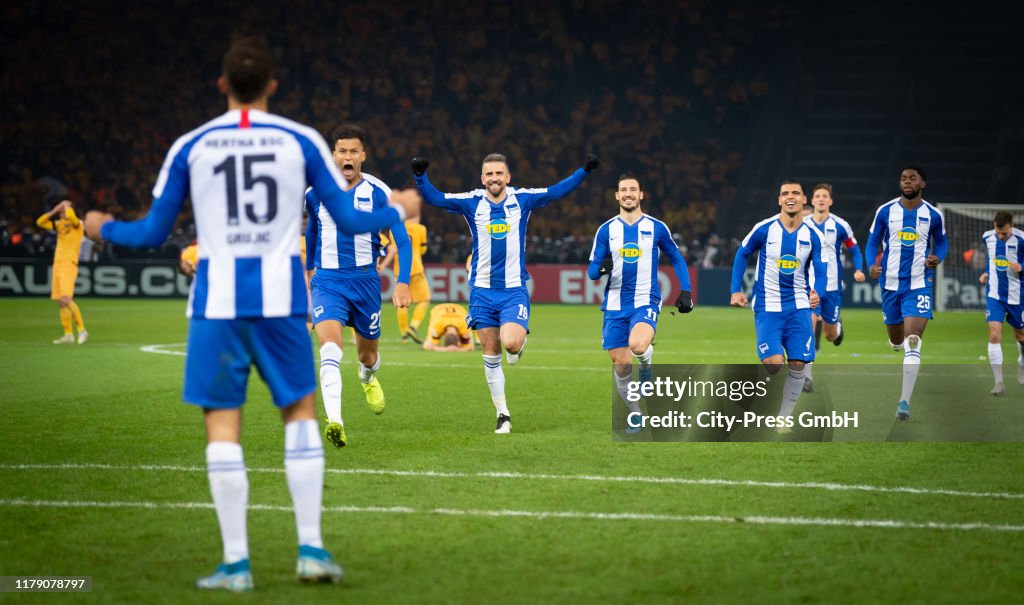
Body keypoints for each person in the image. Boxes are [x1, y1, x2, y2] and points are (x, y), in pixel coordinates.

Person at [81, 38, 418, 592]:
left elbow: (148, 233)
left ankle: (236, 564)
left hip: (216, 306)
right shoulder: (302, 141)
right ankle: (311, 550)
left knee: (223, 427)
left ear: (221, 86)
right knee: (300, 417)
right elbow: (353, 222)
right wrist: (400, 208)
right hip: (282, 301)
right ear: (272, 87)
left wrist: (100, 226)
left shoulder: (192, 144)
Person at [411, 152, 599, 433]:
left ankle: (519, 343)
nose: (494, 178)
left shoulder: (522, 199)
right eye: (489, 174)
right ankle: (503, 415)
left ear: (508, 177)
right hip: (481, 291)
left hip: (513, 289)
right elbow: (436, 198)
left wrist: (583, 171)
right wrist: (420, 176)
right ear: (482, 178)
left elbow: (557, 191)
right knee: (490, 350)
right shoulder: (472, 202)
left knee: (510, 343)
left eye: (499, 173)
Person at [305, 124, 413, 449]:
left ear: (362, 155)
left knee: (367, 356)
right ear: (333, 154)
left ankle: (367, 378)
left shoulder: (380, 193)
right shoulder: (315, 193)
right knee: (330, 348)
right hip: (328, 282)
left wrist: (404, 282)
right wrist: (309, 270)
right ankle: (335, 421)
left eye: (354, 151)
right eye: (342, 151)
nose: (348, 156)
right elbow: (312, 231)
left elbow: (403, 242)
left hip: (366, 283)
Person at [587, 173, 693, 431]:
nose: (628, 194)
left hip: (646, 299)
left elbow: (676, 258)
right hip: (614, 304)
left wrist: (686, 290)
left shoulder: (656, 227)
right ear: (616, 195)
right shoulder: (606, 230)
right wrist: (602, 269)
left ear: (641, 194)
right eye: (623, 190)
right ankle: (636, 414)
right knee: (620, 365)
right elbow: (592, 272)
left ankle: (646, 362)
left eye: (632, 189)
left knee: (637, 345)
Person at [730, 179, 827, 432]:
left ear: (804, 200)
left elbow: (823, 270)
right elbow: (742, 253)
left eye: (796, 193)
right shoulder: (764, 229)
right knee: (774, 365)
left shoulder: (813, 235)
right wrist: (735, 290)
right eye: (785, 194)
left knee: (797, 363)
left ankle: (784, 417)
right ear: (779, 200)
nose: (790, 197)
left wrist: (819, 291)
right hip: (768, 307)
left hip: (799, 307)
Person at [865, 165, 947, 421]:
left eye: (913, 178)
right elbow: (872, 241)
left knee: (914, 340)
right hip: (890, 284)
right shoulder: (885, 211)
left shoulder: (933, 214)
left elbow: (942, 242)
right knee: (897, 340)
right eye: (903, 178)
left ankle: (904, 402)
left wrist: (938, 257)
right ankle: (895, 341)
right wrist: (870, 263)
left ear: (922, 183)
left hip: (919, 283)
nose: (907, 181)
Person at [801, 183, 865, 391]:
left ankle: (838, 328)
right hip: (809, 286)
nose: (820, 199)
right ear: (811, 200)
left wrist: (858, 269)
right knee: (808, 327)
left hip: (832, 288)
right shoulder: (802, 224)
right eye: (817, 196)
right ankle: (806, 377)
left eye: (824, 196)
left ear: (830, 201)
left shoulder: (840, 225)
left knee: (830, 335)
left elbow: (855, 250)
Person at [979, 211, 1024, 395]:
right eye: (998, 232)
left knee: (1021, 337)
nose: (1000, 236)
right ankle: (999, 382)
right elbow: (991, 259)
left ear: (1012, 226)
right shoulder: (987, 237)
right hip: (994, 295)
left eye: (1004, 233)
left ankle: (1022, 363)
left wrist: (1022, 267)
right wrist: (986, 272)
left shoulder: (1022, 239)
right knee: (995, 334)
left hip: (1017, 297)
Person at [36, 200, 87, 344]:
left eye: (64, 211)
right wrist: (54, 210)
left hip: (69, 264)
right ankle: (68, 334)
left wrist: (66, 206)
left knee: (66, 298)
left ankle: (82, 330)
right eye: (61, 212)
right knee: (61, 301)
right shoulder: (59, 225)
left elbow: (72, 217)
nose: (62, 214)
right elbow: (40, 222)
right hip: (58, 264)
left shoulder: (78, 225)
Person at [380, 215, 430, 343]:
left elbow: (394, 249)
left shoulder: (394, 228)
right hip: (417, 268)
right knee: (424, 300)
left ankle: (404, 334)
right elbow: (423, 250)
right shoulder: (420, 228)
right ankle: (413, 326)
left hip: (400, 270)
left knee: (401, 303)